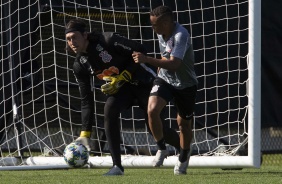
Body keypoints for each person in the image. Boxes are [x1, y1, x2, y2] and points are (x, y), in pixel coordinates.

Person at [65, 19, 181, 176]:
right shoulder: (80, 64)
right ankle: (117, 167)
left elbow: (140, 49)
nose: (72, 42)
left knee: (156, 128)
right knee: (109, 110)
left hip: (143, 82)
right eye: (68, 39)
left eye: (74, 37)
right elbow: (86, 100)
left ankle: (185, 151)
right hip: (122, 89)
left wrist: (126, 73)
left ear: (85, 35)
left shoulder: (107, 40)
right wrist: (85, 133)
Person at [132, 5, 198, 175]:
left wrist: (146, 59)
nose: (153, 28)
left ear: (167, 22)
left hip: (186, 85)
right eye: (152, 25)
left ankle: (184, 156)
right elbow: (165, 55)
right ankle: (161, 148)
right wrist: (159, 75)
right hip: (166, 79)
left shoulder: (181, 35)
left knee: (183, 124)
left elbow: (175, 64)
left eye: (156, 25)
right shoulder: (162, 32)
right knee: (152, 110)